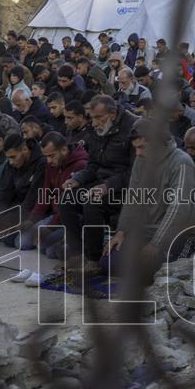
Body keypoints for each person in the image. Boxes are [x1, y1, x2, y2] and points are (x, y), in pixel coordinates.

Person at [102, 118, 195, 277]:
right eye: (136, 148)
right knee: (109, 263)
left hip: (177, 234)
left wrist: (156, 244)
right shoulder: (141, 161)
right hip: (146, 230)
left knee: (150, 272)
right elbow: (133, 198)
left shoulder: (181, 162)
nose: (138, 153)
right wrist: (122, 231)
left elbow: (178, 209)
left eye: (142, 147)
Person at [58, 94, 137, 271]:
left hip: (124, 188)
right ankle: (78, 254)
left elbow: (135, 172)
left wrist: (108, 186)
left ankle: (93, 260)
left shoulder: (133, 127)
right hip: (101, 183)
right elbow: (93, 164)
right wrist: (77, 179)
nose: (93, 123)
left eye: (98, 118)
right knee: (67, 199)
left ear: (113, 113)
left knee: (91, 202)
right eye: (92, 118)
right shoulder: (96, 130)